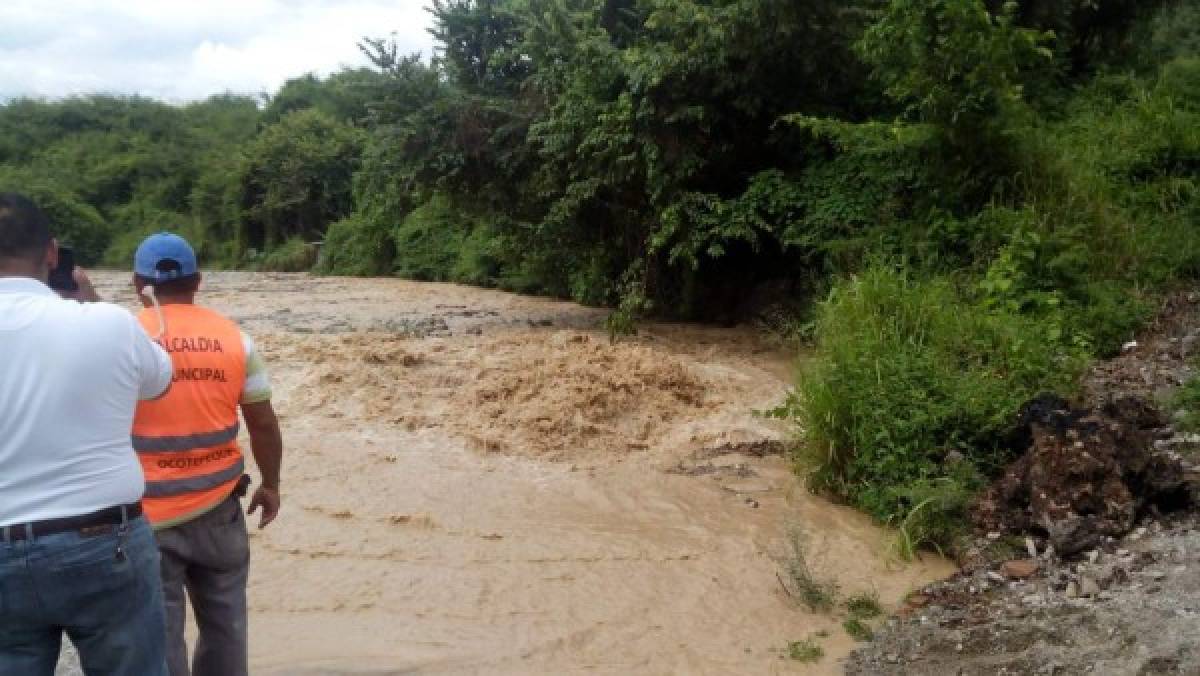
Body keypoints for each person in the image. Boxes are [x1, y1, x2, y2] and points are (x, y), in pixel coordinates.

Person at [0, 193, 172, 675]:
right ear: (52, 254)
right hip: (103, 539)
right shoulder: (109, 323)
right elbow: (160, 381)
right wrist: (91, 301)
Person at [130, 232, 284, 676]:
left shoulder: (121, 338)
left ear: (138, 283)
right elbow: (264, 423)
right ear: (197, 281)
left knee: (160, 636)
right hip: (220, 509)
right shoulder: (237, 340)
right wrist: (271, 485)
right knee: (227, 628)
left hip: (146, 516)